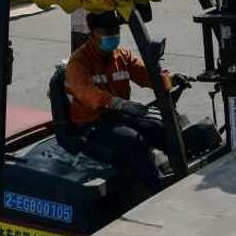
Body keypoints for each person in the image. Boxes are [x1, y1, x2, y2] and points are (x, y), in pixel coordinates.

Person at [64, 10, 177, 191]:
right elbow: (86, 93)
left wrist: (168, 79)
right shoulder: (79, 61)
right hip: (91, 123)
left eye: (116, 31)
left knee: (159, 129)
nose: (113, 36)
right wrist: (121, 103)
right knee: (134, 142)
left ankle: (179, 172)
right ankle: (155, 187)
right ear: (93, 33)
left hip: (118, 116)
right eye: (107, 32)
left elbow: (145, 75)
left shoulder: (122, 56)